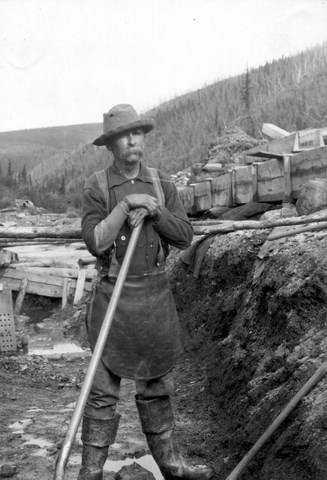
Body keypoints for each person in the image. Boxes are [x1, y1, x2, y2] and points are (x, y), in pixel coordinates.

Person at [80, 104, 213, 480]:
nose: (134, 139)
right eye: (125, 134)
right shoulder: (98, 186)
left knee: (156, 385)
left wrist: (154, 210)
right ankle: (90, 471)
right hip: (113, 299)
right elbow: (95, 241)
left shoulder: (161, 183)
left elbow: (185, 236)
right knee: (103, 391)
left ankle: (171, 465)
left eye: (138, 133)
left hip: (154, 298)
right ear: (110, 144)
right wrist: (125, 205)